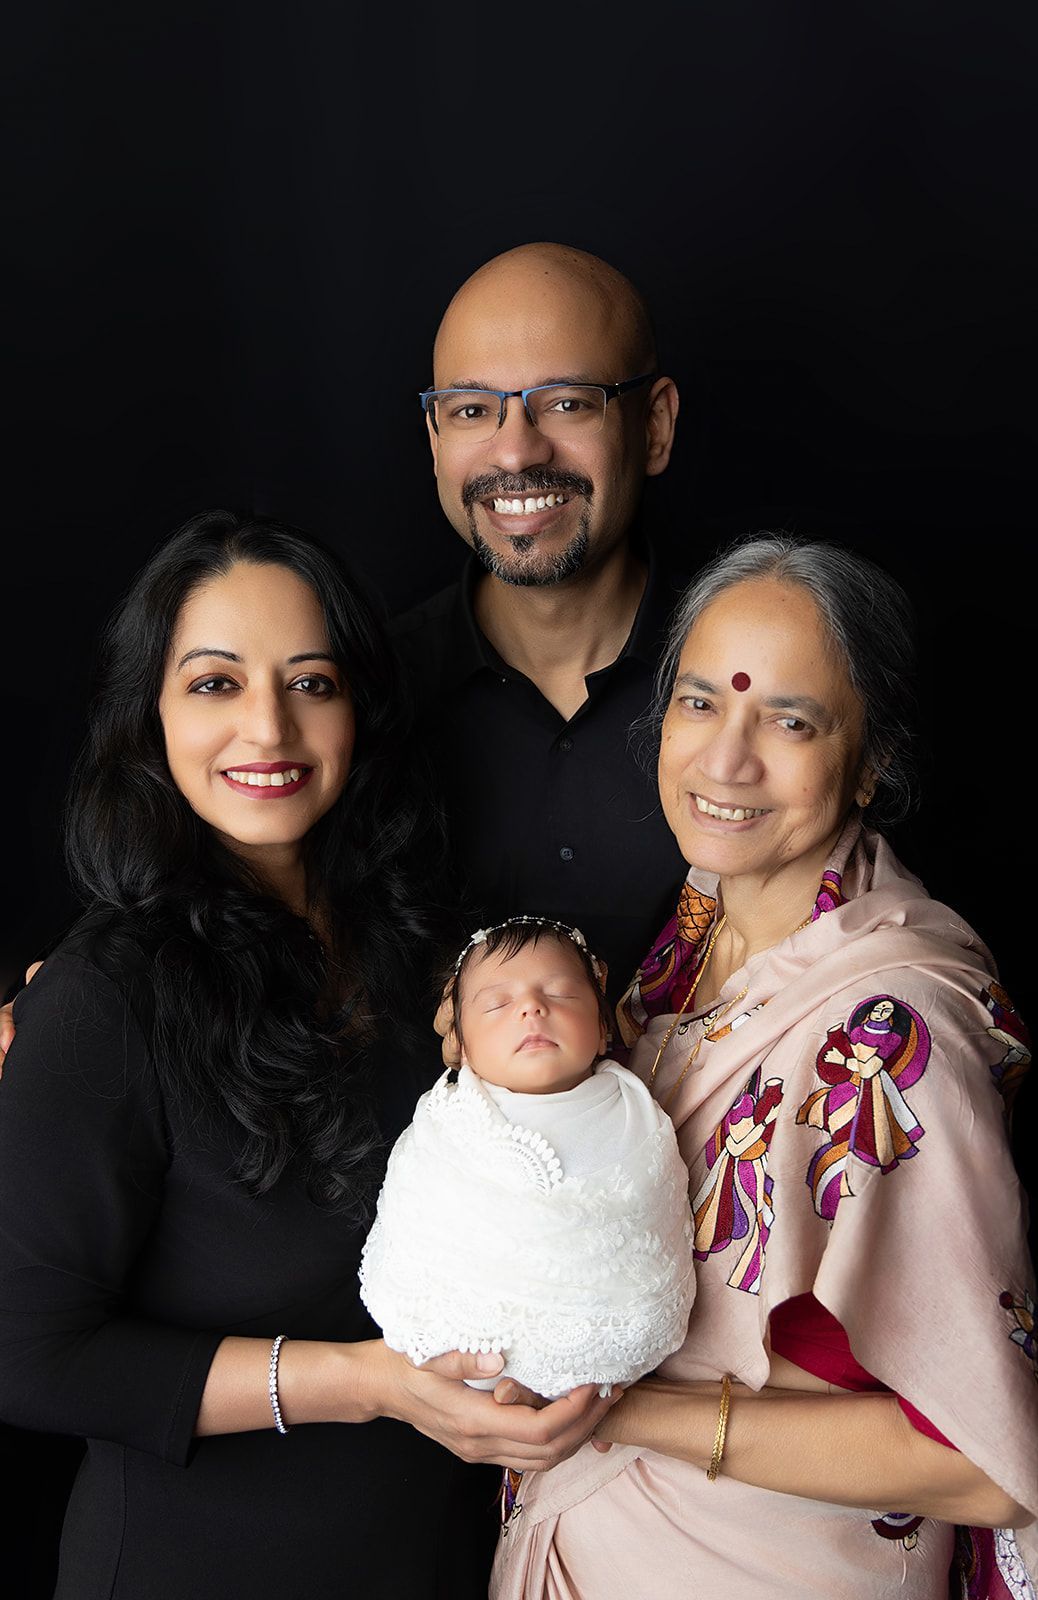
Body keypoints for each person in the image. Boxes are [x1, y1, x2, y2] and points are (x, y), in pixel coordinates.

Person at [0, 511, 619, 1600]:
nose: (268, 727)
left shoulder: (429, 947)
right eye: (214, 684)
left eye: (311, 681)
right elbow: (28, 1353)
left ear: (359, 708)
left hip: (434, 1559)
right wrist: (369, 1384)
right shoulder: (99, 1001)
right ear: (148, 713)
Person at [490, 536, 1038, 1600]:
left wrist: (616, 1410)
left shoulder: (890, 1034)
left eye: (790, 720)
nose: (726, 761)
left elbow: (981, 1460)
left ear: (871, 760)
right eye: (700, 705)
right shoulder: (679, 957)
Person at [392, 241, 688, 994]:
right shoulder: (365, 697)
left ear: (653, 427)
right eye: (471, 410)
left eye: (566, 402)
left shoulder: (762, 683)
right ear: (434, 441)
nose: (516, 452)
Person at [359, 915, 695, 1400]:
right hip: (455, 1364)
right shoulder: (448, 1123)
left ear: (603, 1028)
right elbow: (420, 1217)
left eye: (560, 994)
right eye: (497, 1003)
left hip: (614, 1373)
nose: (532, 1008)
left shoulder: (639, 1117)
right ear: (461, 1043)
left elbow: (655, 1222)